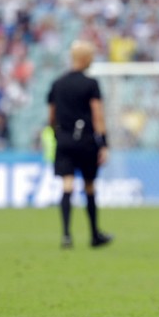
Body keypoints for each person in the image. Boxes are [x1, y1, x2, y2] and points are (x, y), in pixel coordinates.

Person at [47, 40, 112, 249]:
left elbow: (51, 115)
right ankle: (94, 235)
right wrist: (103, 143)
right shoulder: (90, 84)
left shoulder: (57, 83)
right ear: (84, 59)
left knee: (67, 185)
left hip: (64, 140)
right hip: (85, 142)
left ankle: (66, 235)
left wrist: (58, 133)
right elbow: (97, 114)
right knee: (89, 186)